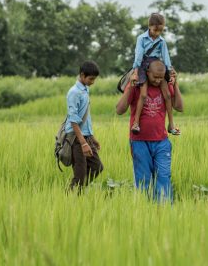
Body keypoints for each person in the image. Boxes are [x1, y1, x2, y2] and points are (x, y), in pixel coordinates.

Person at [116, 60, 184, 202]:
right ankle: (144, 211)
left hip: (161, 141)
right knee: (143, 179)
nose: (158, 80)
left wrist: (175, 83)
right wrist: (130, 85)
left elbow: (179, 107)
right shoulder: (137, 86)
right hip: (139, 142)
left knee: (164, 176)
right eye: (155, 77)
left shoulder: (165, 87)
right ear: (147, 73)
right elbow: (119, 110)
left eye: (161, 77)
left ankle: (164, 213)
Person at [131, 12, 180, 136]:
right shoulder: (141, 38)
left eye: (160, 30)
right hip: (143, 65)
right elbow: (138, 55)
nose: (157, 33)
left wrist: (170, 73)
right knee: (143, 95)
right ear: (149, 26)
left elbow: (166, 57)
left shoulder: (162, 41)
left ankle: (171, 124)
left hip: (157, 65)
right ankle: (136, 123)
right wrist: (136, 71)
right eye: (155, 30)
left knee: (168, 95)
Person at [65, 61, 104, 192]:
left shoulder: (85, 90)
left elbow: (85, 118)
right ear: (82, 75)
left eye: (94, 79)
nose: (93, 82)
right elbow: (73, 120)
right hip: (76, 139)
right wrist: (83, 143)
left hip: (86, 136)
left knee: (97, 167)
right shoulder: (74, 92)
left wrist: (92, 137)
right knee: (80, 175)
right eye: (91, 79)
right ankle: (71, 197)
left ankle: (78, 191)